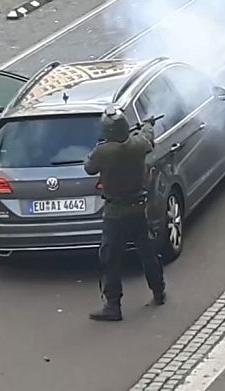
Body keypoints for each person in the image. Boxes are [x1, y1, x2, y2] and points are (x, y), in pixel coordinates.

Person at [83, 106, 166, 321]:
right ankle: (159, 291)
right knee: (148, 253)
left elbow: (89, 167)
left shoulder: (103, 151)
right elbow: (147, 138)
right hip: (138, 208)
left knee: (110, 259)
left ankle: (113, 305)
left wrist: (100, 145)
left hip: (115, 213)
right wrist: (147, 125)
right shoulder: (137, 145)